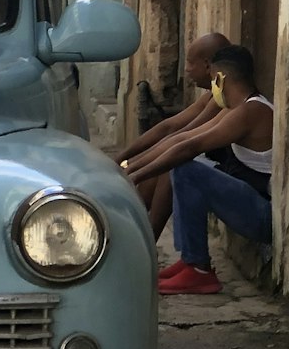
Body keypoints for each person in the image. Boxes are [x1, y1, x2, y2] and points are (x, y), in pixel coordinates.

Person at [124, 44, 274, 296]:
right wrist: (129, 168)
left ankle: (199, 270)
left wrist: (136, 174)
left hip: (263, 216)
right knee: (179, 166)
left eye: (214, 81)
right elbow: (180, 138)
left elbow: (191, 146)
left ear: (219, 78)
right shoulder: (234, 109)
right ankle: (189, 261)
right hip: (250, 201)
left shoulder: (251, 111)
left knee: (186, 170)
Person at [115, 31, 231, 239]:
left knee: (172, 164)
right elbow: (169, 127)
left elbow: (182, 138)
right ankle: (134, 232)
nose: (186, 70)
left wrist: (131, 167)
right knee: (162, 164)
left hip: (234, 176)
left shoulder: (225, 99)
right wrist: (122, 158)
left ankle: (147, 237)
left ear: (207, 65)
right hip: (217, 166)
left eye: (189, 63)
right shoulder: (214, 95)